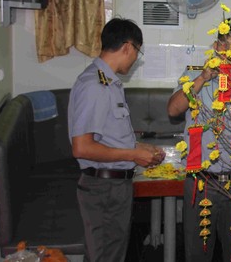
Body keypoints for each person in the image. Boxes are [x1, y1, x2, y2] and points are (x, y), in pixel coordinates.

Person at [68, 18, 166, 262]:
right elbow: (82, 147)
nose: (135, 59)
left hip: (113, 188)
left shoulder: (108, 81)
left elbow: (107, 137)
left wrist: (138, 147)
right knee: (104, 256)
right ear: (128, 47)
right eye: (137, 52)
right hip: (103, 190)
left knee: (113, 254)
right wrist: (133, 155)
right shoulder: (95, 85)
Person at [167, 18, 231, 262]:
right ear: (217, 46)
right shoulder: (195, 76)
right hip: (202, 182)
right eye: (227, 45)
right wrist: (203, 78)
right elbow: (173, 110)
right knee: (198, 254)